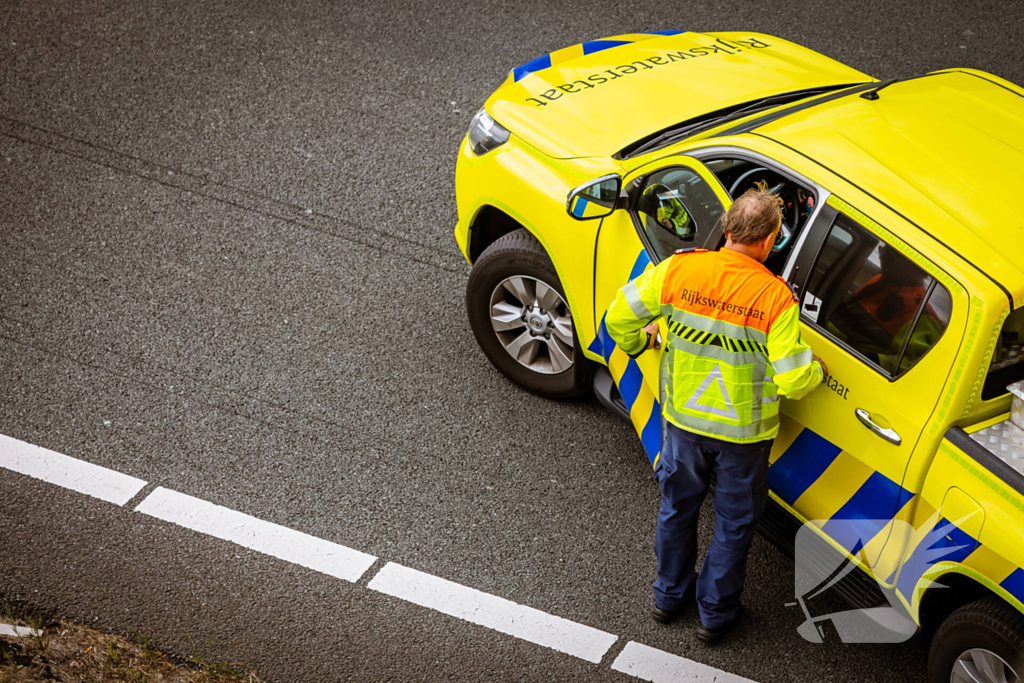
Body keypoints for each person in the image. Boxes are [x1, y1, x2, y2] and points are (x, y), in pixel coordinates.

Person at [605, 183, 825, 643]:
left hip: (684, 424)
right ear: (769, 241)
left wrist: (641, 342)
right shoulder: (774, 298)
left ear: (726, 229)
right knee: (733, 523)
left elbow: (619, 318)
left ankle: (667, 597)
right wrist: (816, 372)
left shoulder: (678, 271)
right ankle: (715, 615)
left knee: (677, 509)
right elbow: (791, 377)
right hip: (742, 438)